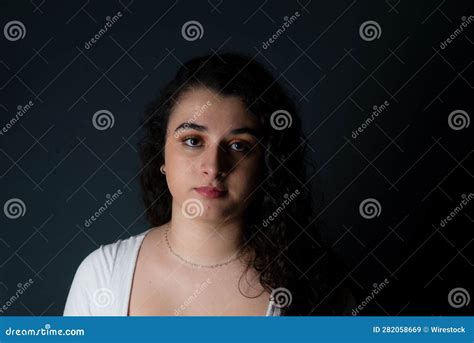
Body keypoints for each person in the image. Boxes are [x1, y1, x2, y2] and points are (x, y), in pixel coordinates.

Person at [64, 53, 356, 316]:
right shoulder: (102, 275)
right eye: (193, 141)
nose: (214, 167)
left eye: (239, 146)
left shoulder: (317, 287)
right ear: (161, 155)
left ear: (267, 165)